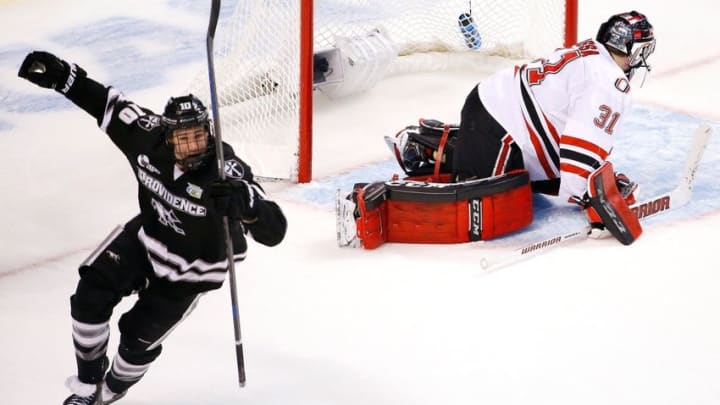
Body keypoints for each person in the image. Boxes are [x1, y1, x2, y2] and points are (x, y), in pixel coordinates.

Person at [17, 50, 288, 405]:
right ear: (168, 135)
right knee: (88, 299)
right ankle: (86, 389)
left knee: (136, 339)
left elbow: (275, 230)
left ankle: (110, 392)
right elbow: (108, 105)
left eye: (199, 137)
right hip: (147, 239)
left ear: (209, 133)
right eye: (184, 138)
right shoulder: (147, 137)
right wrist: (64, 78)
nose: (193, 146)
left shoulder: (226, 172)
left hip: (193, 270)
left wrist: (248, 206)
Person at [388, 10, 655, 244]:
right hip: (500, 127)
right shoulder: (608, 82)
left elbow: (573, 149)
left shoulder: (594, 56)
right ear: (628, 49)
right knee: (480, 204)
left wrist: (596, 185)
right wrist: (593, 199)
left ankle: (435, 144)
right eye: (642, 51)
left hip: (498, 112)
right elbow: (577, 155)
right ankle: (418, 159)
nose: (643, 60)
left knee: (525, 182)